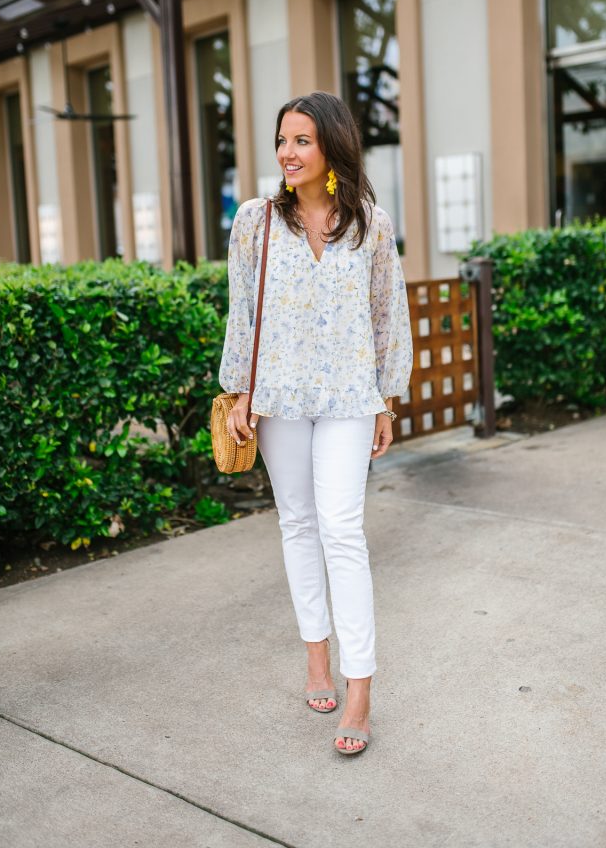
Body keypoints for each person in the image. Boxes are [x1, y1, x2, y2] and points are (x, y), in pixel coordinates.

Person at [218, 91, 413, 755]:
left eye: (302, 140)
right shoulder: (255, 222)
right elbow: (242, 311)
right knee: (299, 524)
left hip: (350, 398)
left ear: (330, 144)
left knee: (343, 530)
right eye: (282, 141)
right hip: (279, 397)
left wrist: (388, 396)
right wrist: (240, 391)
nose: (288, 152)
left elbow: (389, 313)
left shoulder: (369, 225)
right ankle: (315, 659)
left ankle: (359, 689)